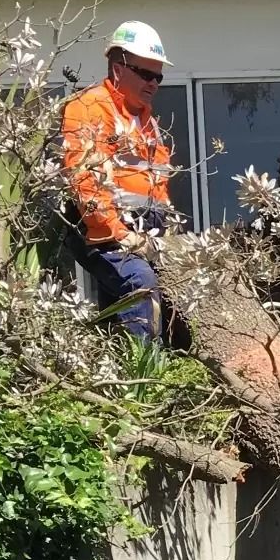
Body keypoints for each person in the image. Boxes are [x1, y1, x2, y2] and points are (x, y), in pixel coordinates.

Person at [61, 21, 178, 343]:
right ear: (118, 68)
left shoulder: (145, 120)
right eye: (145, 74)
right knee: (140, 285)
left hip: (144, 232)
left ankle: (119, 367)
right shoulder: (89, 107)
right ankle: (144, 376)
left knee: (141, 305)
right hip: (104, 232)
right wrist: (120, 234)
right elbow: (85, 178)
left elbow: (158, 180)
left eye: (158, 76)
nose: (153, 83)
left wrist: (168, 226)